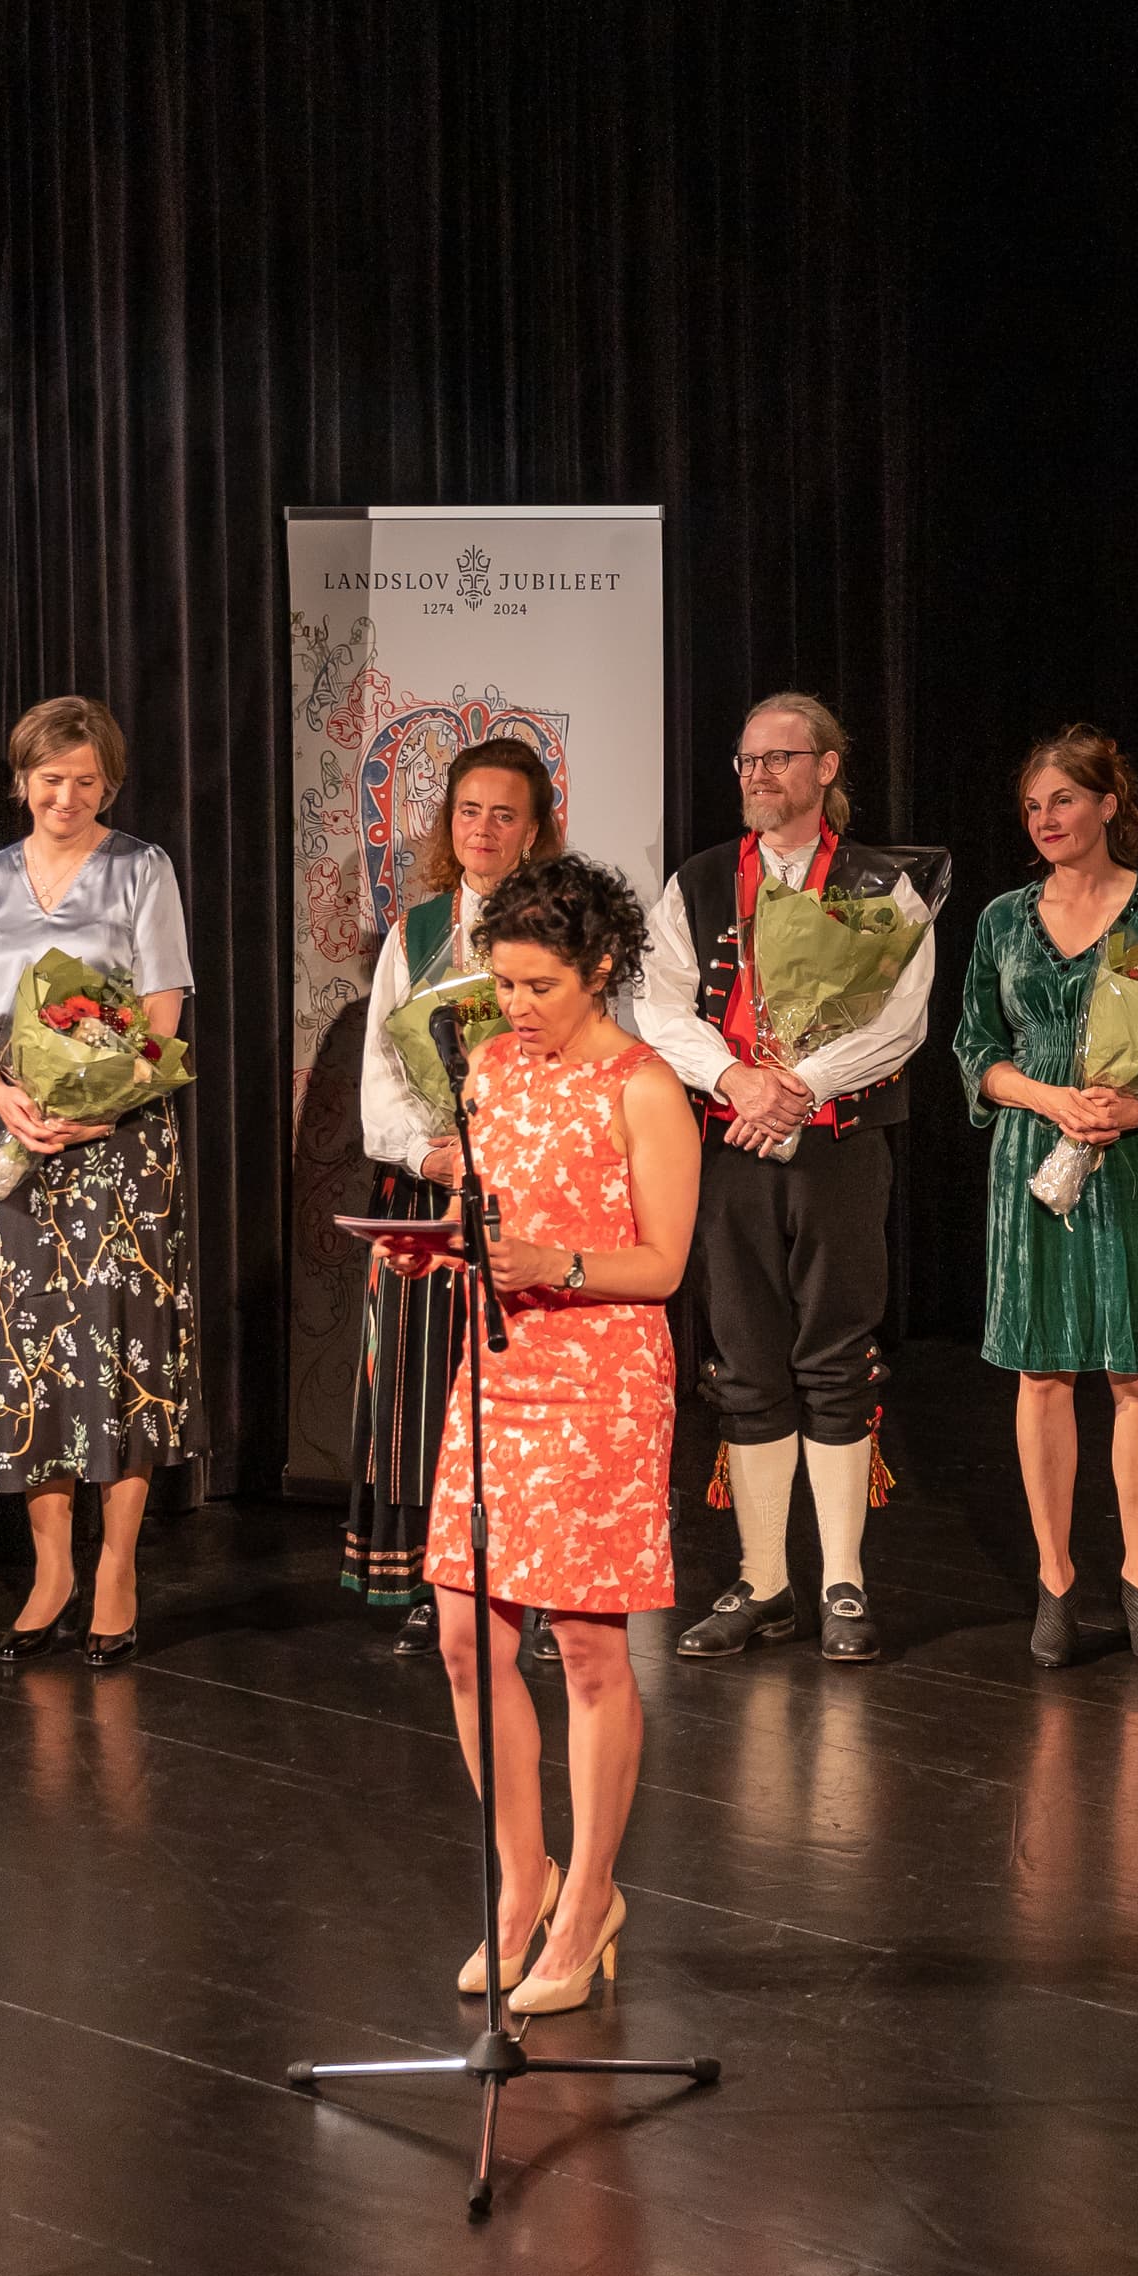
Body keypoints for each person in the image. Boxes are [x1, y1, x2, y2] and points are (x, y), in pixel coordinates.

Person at [371, 852, 699, 2014]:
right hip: (497, 1369)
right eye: (502, 984)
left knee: (594, 1656)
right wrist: (437, 1241)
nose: (513, 1008)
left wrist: (549, 1261)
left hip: (601, 1382)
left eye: (537, 986)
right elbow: (490, 1211)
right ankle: (523, 1880)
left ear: (600, 970)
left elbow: (660, 1264)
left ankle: (590, 1897)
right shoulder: (498, 1070)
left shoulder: (645, 1085)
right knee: (466, 1636)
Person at [634, 691, 937, 1664]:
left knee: (836, 1353)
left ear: (827, 768)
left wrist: (798, 1085)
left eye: (778, 758)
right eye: (746, 760)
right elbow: (657, 1004)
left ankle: (841, 1578)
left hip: (838, 1145)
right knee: (746, 1358)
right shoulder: (701, 879)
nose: (758, 774)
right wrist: (736, 1080)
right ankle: (763, 1580)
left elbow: (902, 1016)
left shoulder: (879, 882)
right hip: (729, 1149)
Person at [950, 725, 1138, 1668]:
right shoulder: (999, 919)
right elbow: (974, 1053)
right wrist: (1051, 1096)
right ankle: (1056, 1582)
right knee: (1042, 1373)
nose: (1046, 818)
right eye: (1034, 805)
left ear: (1109, 804)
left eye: (1064, 799)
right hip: (1035, 1160)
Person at [0, 696, 199, 1667]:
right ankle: (50, 1570)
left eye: (86, 779)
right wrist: (7, 1098)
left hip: (118, 1131)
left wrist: (106, 1097)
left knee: (116, 1344)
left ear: (109, 785)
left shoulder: (142, 867)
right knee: (29, 1347)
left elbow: (164, 1009)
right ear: (22, 780)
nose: (66, 794)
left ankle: (118, 1567)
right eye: (50, 778)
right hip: (12, 1128)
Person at [346, 739, 563, 1658]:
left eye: (503, 814)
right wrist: (435, 1155)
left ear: (535, 830)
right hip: (432, 1186)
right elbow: (379, 1081)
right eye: (468, 811)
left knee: (525, 1398)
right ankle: (447, 1584)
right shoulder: (417, 932)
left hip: (530, 1195)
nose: (483, 829)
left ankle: (543, 1592)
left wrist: (508, 1149)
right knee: (430, 1397)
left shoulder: (565, 929)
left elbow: (588, 1061)